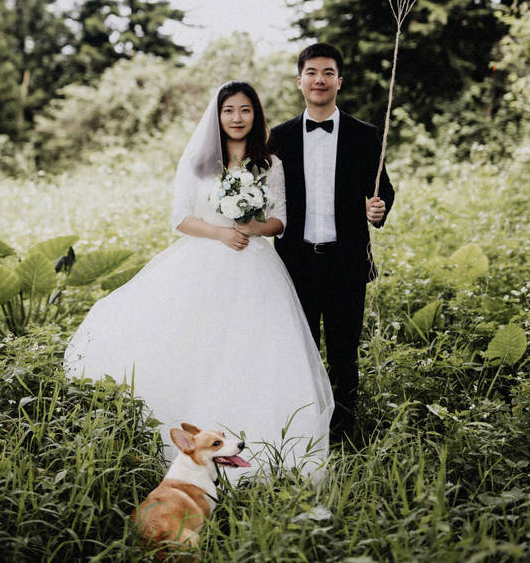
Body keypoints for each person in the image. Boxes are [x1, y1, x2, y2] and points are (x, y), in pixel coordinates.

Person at [64, 81, 334, 478]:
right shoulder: (198, 162)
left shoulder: (269, 164)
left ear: (255, 115)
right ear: (218, 116)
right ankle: (193, 439)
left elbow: (281, 221)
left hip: (257, 267)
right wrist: (222, 232)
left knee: (255, 348)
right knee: (198, 343)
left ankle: (264, 440)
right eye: (229, 111)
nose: (237, 118)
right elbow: (179, 218)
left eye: (245, 110)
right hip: (205, 261)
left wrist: (251, 224)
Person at [268, 43, 395, 444]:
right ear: (299, 80)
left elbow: (384, 191)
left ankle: (343, 434)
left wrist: (378, 209)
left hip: (346, 261)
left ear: (339, 81)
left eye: (327, 73)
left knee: (343, 354)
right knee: (299, 353)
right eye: (311, 72)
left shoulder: (365, 135)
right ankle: (302, 429)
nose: (319, 80)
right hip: (295, 263)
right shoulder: (280, 138)